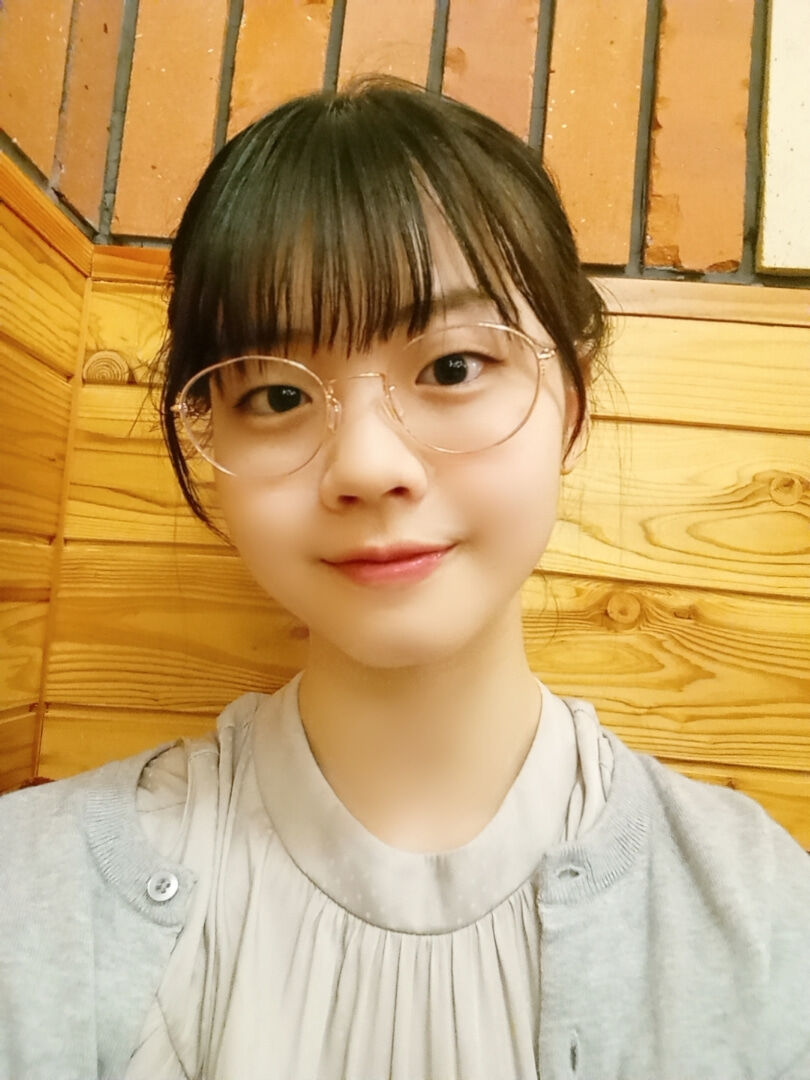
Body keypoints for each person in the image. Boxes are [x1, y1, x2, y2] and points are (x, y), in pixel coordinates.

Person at [1, 74, 808, 1080]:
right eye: (277, 394)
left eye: (453, 368)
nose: (367, 466)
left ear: (572, 404)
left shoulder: (760, 915)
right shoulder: (36, 892)